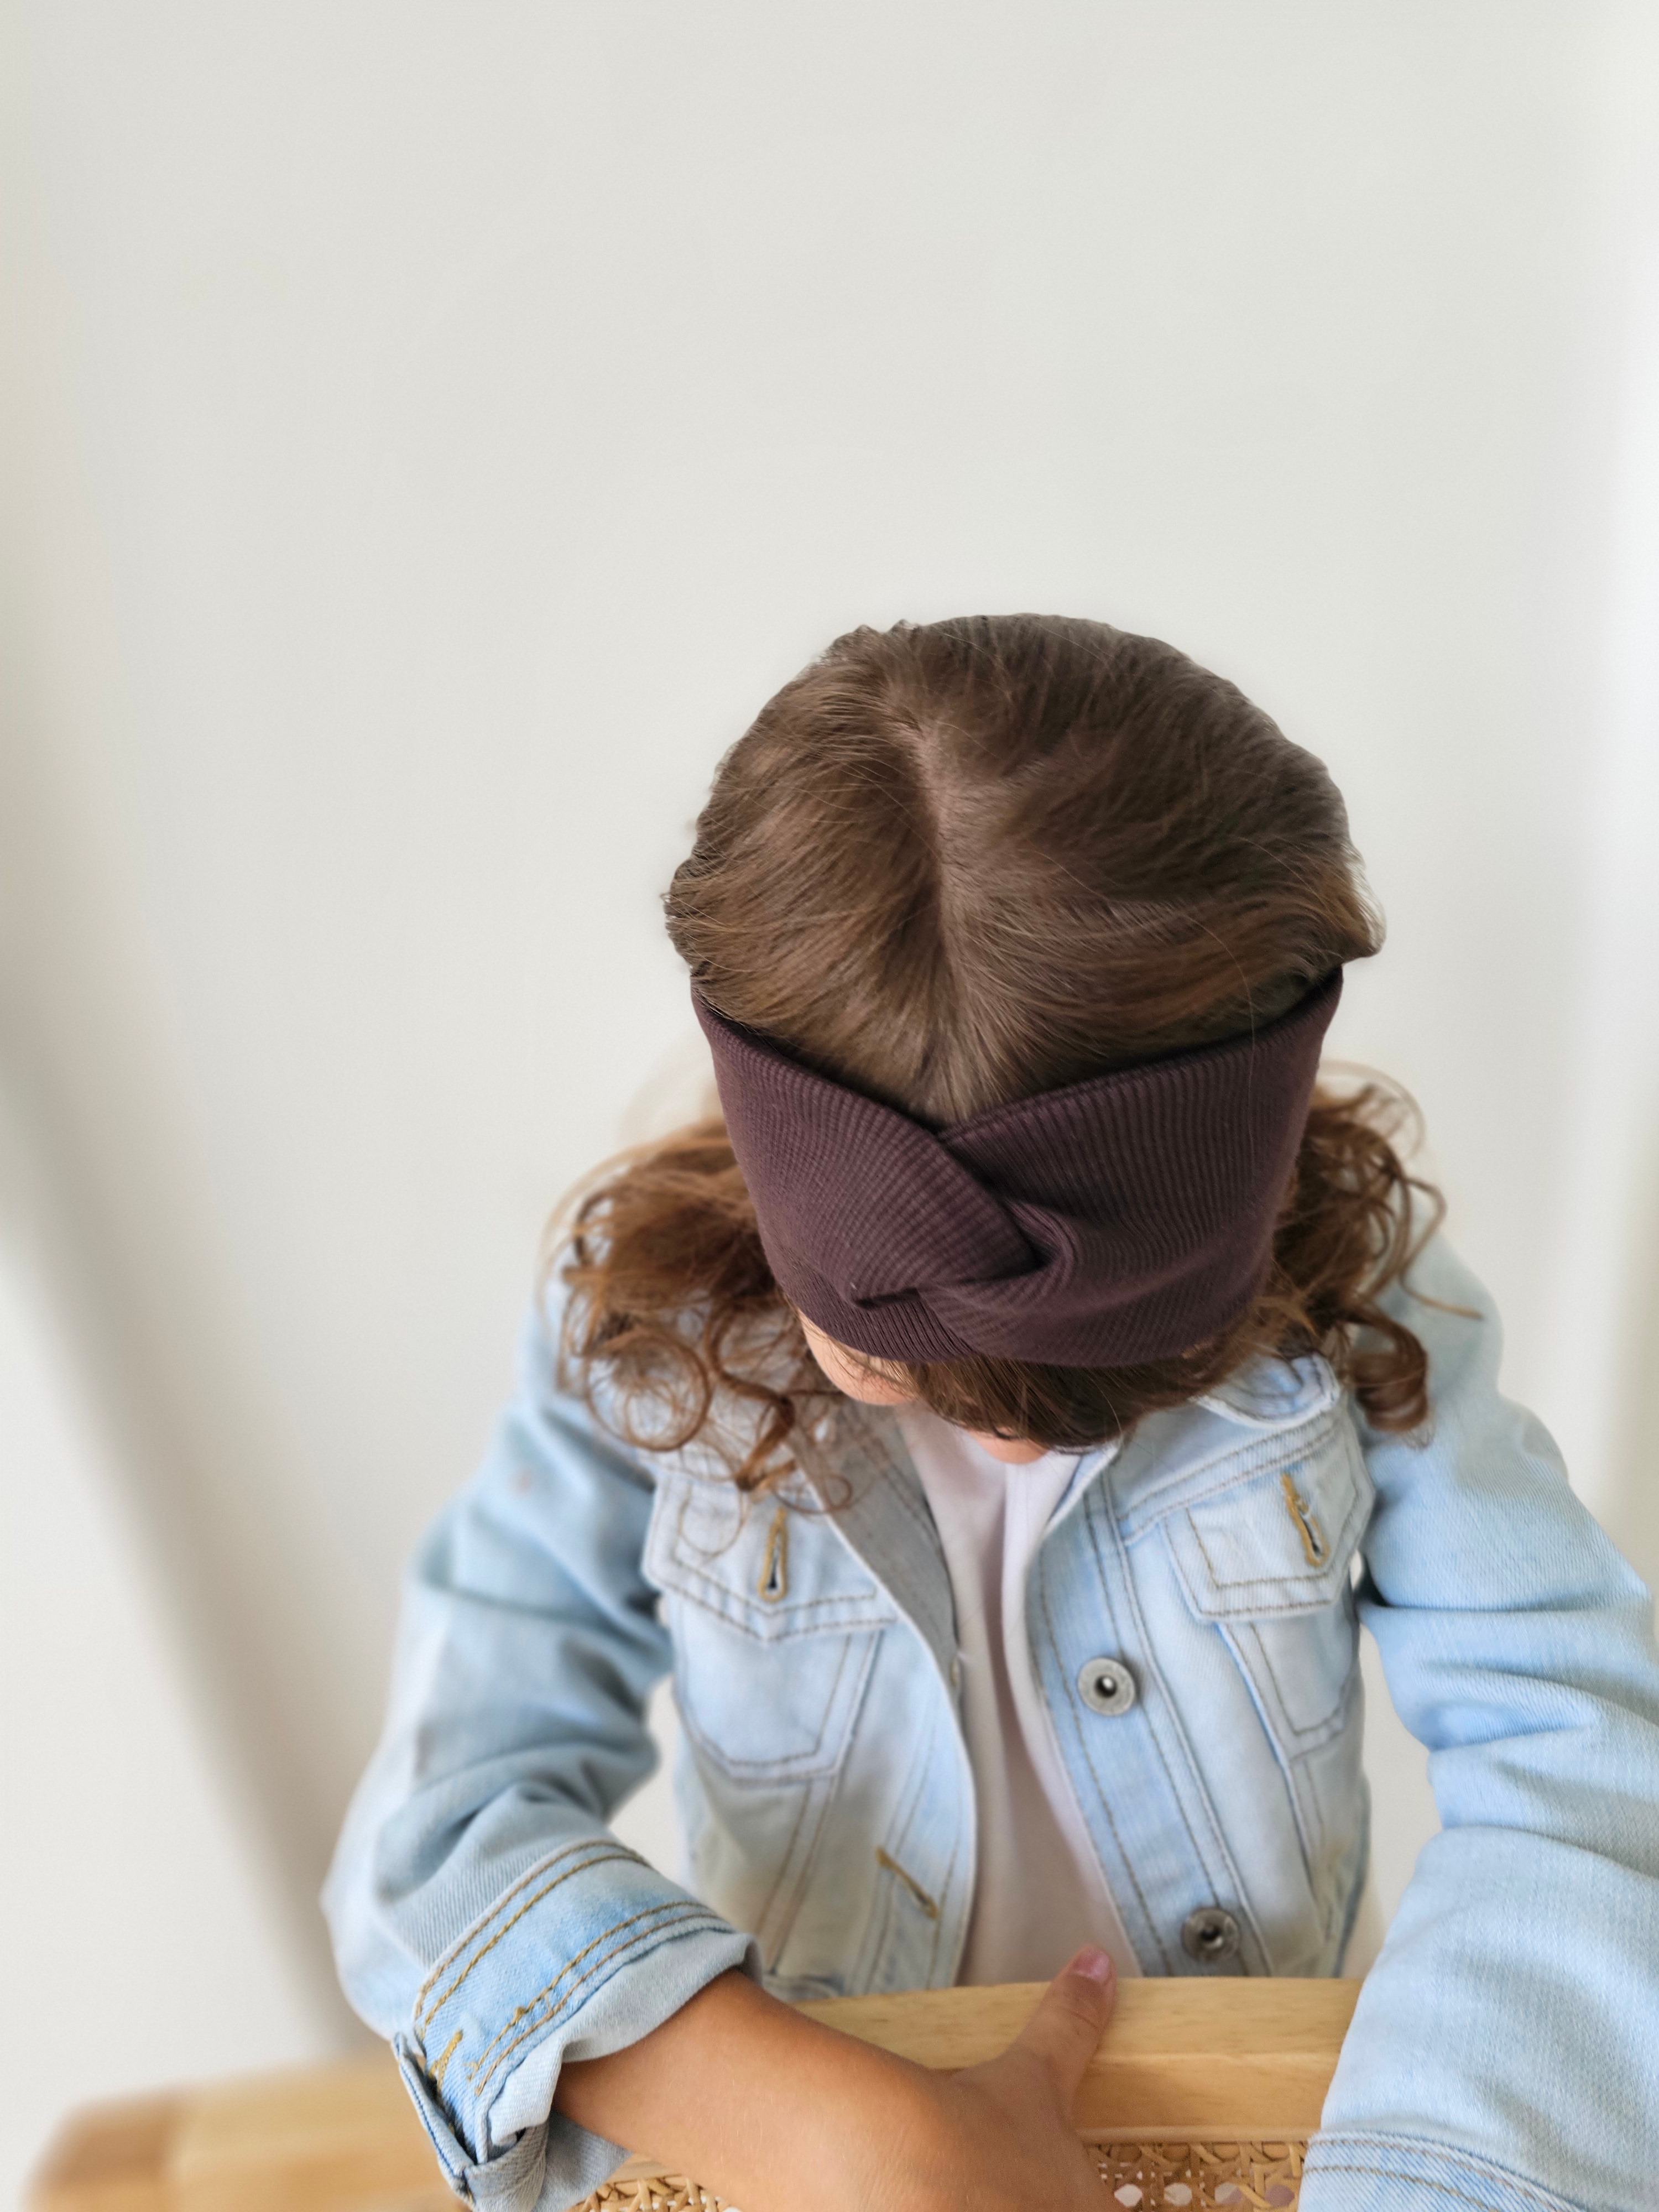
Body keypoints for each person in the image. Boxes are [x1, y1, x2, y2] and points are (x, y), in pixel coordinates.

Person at [324, 617, 1659, 2212]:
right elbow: (433, 1841)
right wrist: (858, 2147)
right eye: (907, 1360)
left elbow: (1588, 1753)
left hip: (1269, 2140)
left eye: (1137, 1365)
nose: (1023, 1440)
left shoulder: (1365, 1297)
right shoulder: (640, 1344)